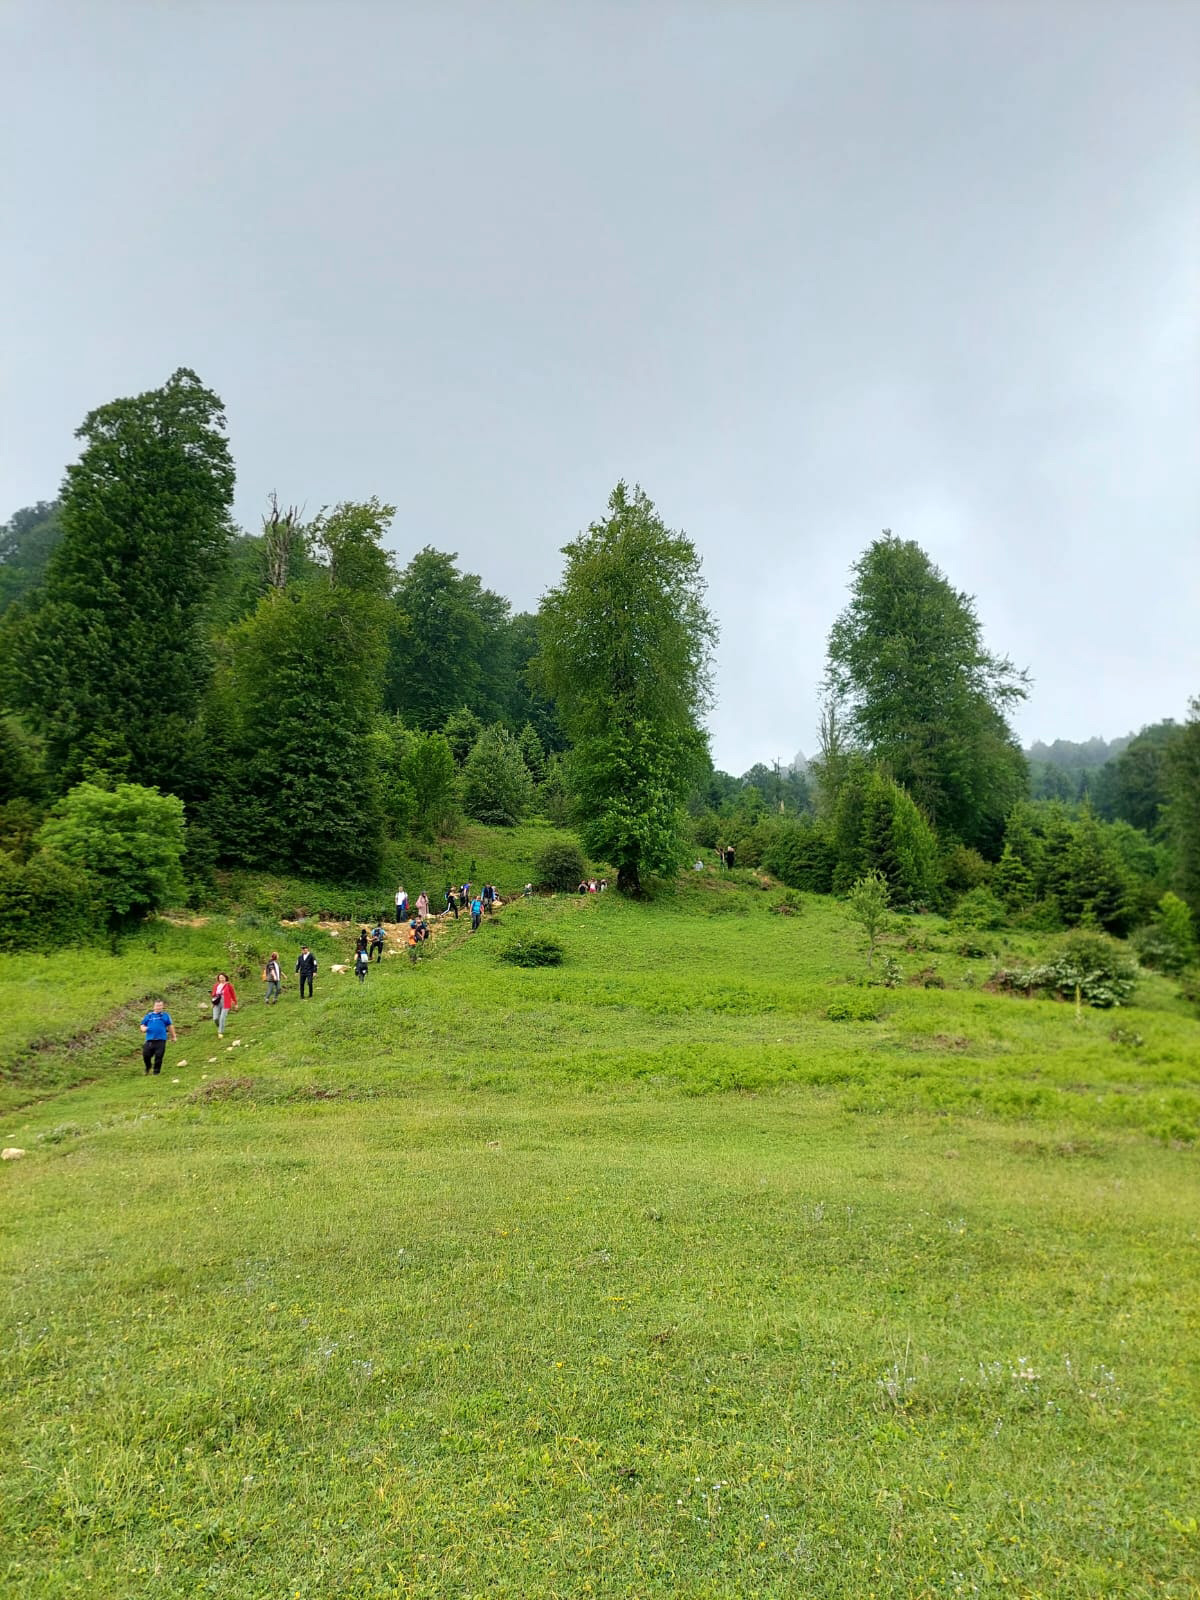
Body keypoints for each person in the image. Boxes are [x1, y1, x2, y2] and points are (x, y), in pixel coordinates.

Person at [139, 1000, 177, 1075]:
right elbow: (142, 1025)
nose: (159, 1007)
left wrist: (174, 1036)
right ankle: (148, 1067)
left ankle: (156, 1073)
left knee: (159, 1056)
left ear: (162, 1006)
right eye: (157, 1006)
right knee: (146, 1055)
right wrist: (143, 1028)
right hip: (150, 1040)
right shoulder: (149, 1016)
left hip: (161, 1040)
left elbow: (170, 1026)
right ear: (154, 1007)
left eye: (160, 1006)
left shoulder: (165, 1015)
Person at [210, 973, 238, 1037]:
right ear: (218, 979)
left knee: (222, 1018)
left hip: (226, 1003)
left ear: (225, 978)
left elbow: (233, 994)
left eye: (223, 978)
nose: (221, 979)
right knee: (215, 1018)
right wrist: (212, 1002)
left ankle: (220, 1032)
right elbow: (213, 995)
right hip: (217, 1003)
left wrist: (235, 1003)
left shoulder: (229, 985)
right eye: (220, 978)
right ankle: (220, 1026)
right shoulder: (216, 985)